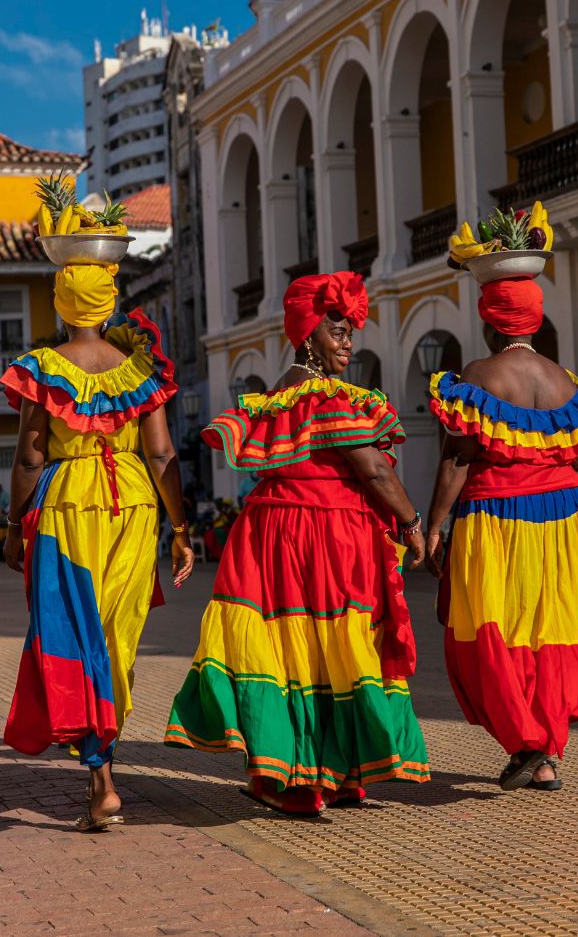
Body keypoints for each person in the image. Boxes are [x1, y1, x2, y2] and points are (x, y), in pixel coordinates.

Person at [166, 271, 430, 816]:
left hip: (271, 536)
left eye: (350, 333)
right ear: (309, 334)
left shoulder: (274, 396)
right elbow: (374, 469)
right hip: (323, 536)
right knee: (332, 645)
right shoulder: (327, 398)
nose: (347, 343)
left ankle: (308, 776)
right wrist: (411, 523)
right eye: (337, 331)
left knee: (291, 651)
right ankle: (318, 778)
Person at [0, 262, 194, 830]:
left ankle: (101, 779)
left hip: (67, 509)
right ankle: (101, 769)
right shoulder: (141, 370)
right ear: (109, 305)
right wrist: (181, 529)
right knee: (114, 636)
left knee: (71, 635)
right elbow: (161, 456)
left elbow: (31, 458)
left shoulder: (44, 368)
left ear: (62, 306)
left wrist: (14, 527)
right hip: (134, 506)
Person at [425, 274, 578, 791]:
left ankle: (527, 743)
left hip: (497, 519)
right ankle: (544, 753)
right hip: (562, 520)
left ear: (489, 323)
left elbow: (457, 458)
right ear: (534, 321)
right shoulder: (568, 384)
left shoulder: (480, 375)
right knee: (550, 629)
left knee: (494, 628)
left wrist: (433, 527)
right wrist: (576, 534)